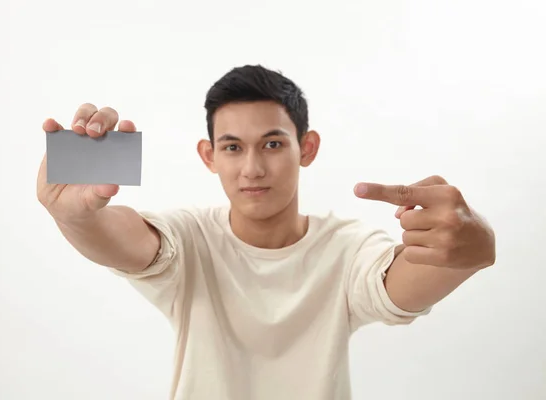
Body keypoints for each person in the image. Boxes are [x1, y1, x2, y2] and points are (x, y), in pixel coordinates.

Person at [37, 65, 496, 400]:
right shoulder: (189, 237)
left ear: (307, 148)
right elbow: (128, 242)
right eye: (232, 147)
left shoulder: (348, 248)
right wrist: (77, 216)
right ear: (209, 156)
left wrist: (471, 251)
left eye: (273, 144)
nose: (253, 169)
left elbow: (400, 287)